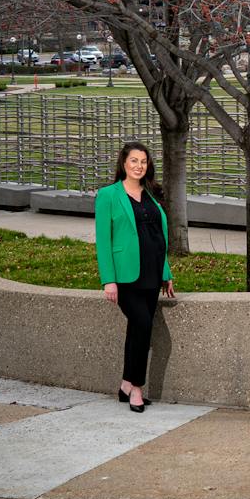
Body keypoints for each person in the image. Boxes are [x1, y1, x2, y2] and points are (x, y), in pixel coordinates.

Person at [95, 141, 175, 413]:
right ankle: (137, 389)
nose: (139, 166)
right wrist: (108, 279)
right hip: (126, 276)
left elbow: (159, 237)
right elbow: (103, 241)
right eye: (134, 161)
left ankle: (125, 384)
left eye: (143, 161)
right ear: (124, 164)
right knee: (142, 325)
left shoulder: (152, 195)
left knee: (137, 330)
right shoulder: (108, 195)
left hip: (152, 274)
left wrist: (166, 273)